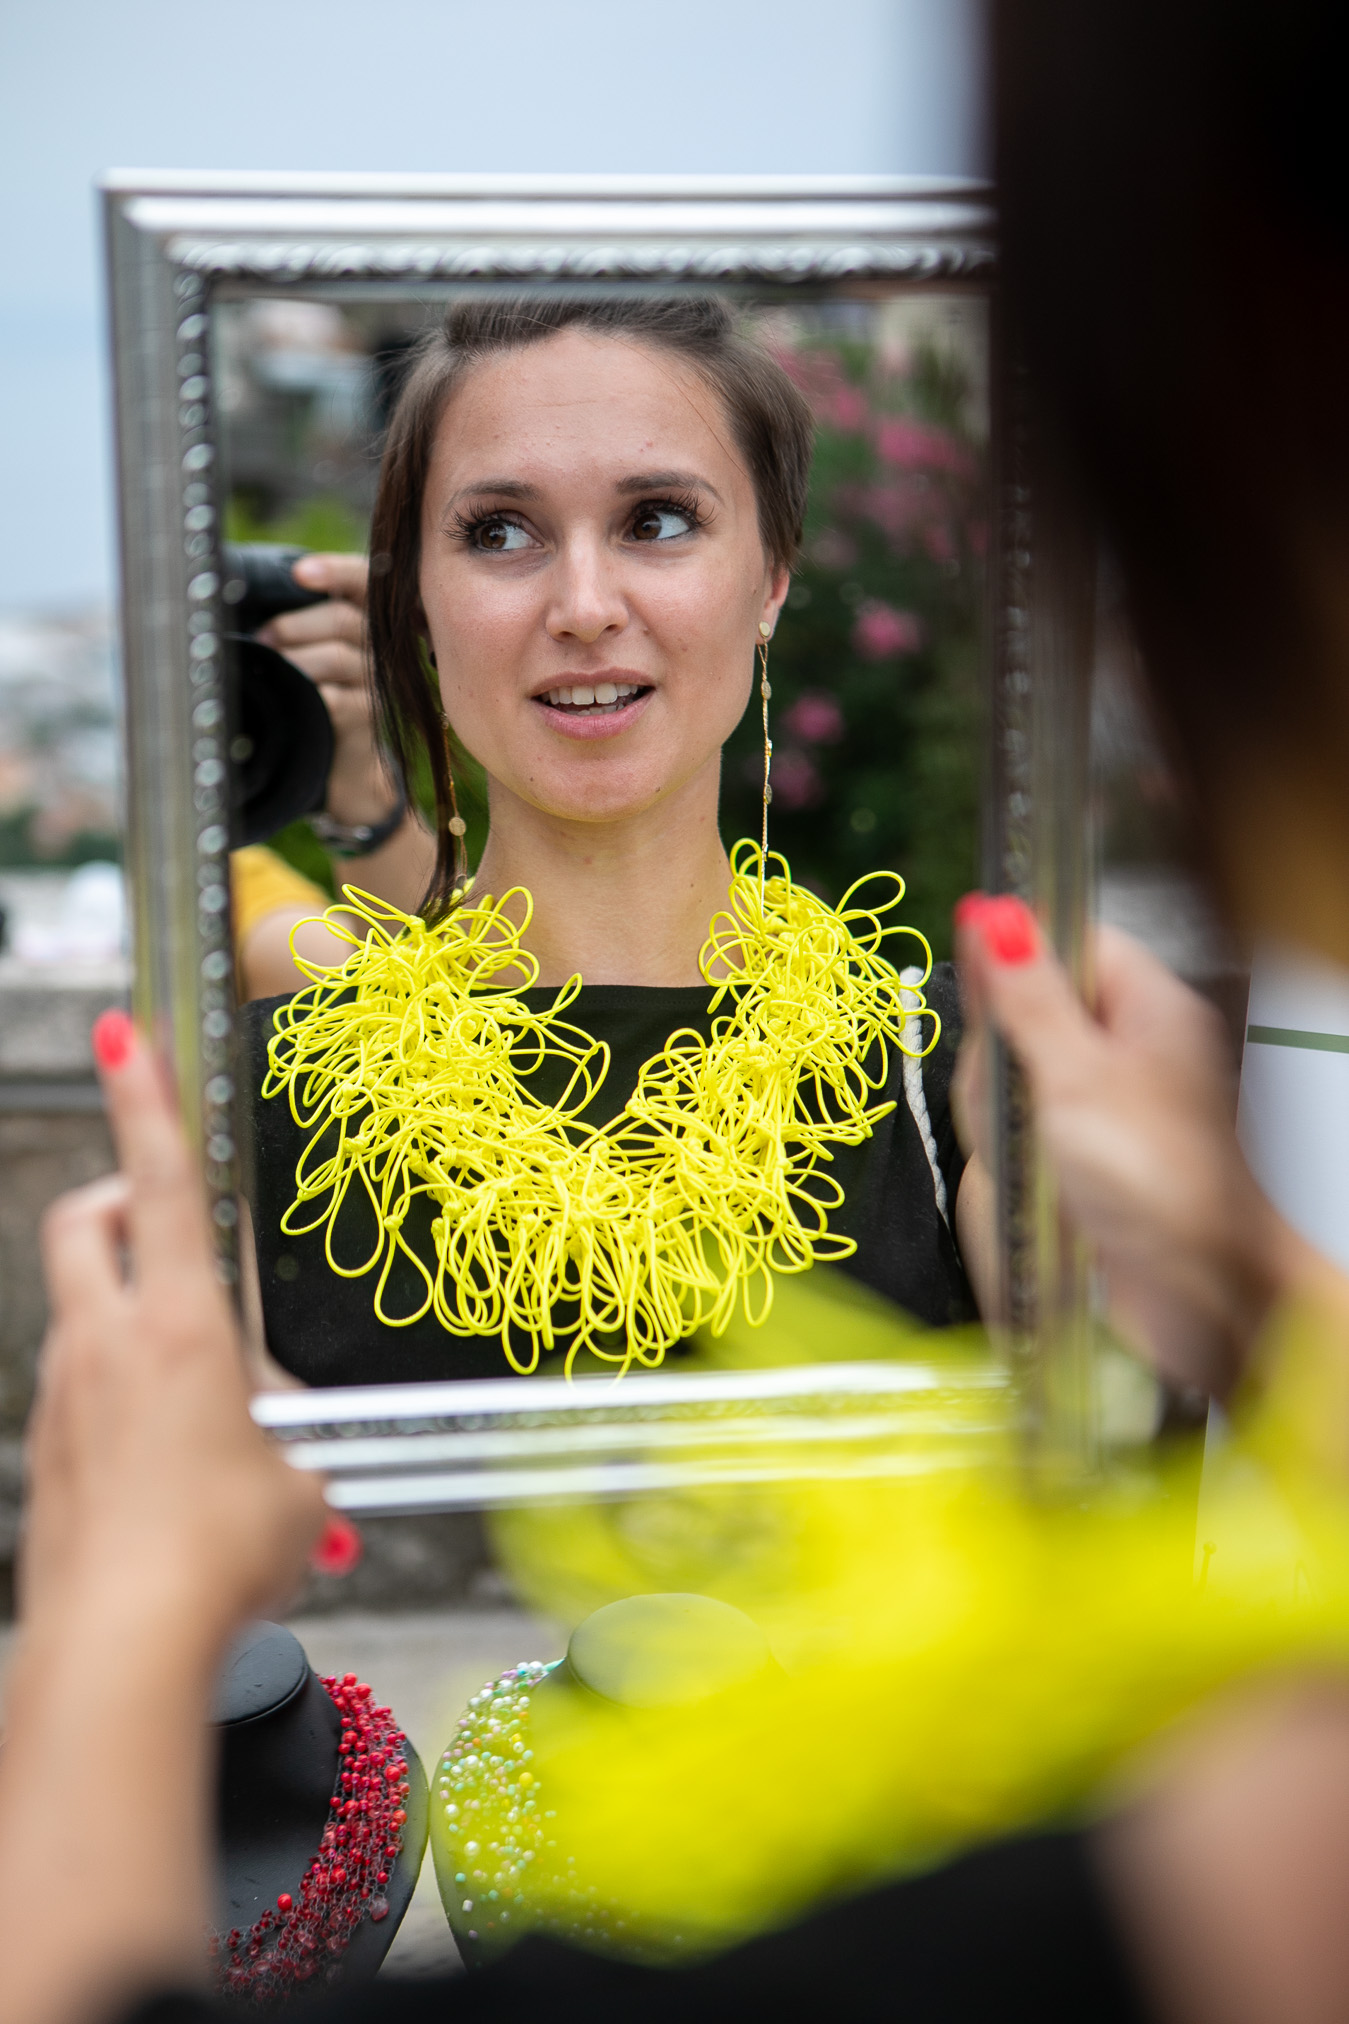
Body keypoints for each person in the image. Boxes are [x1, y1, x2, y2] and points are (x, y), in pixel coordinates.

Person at [239, 297, 991, 1391]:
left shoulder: (965, 1083)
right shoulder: (248, 1110)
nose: (584, 605)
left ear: (770, 578)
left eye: (657, 520)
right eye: (499, 532)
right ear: (418, 601)